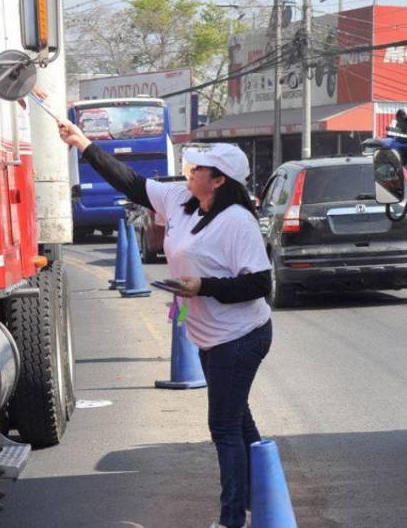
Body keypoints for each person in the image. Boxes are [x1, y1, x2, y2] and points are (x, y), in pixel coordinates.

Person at [58, 121, 272, 528]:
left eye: (197, 170)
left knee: (224, 425)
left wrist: (202, 286)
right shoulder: (180, 199)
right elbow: (133, 184)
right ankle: (261, 495)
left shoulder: (238, 222)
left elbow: (261, 283)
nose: (189, 173)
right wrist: (83, 144)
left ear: (219, 180)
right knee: (237, 418)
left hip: (241, 336)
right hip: (210, 335)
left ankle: (232, 519)